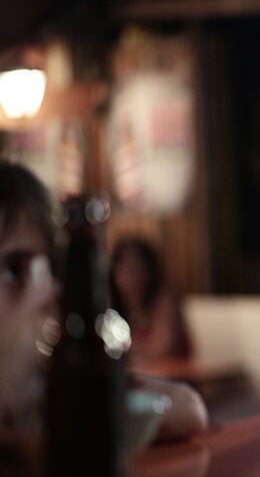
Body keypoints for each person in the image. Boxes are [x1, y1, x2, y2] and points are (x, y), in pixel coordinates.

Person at [0, 162, 208, 456]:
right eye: (14, 270)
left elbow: (188, 407)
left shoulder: (51, 382)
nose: (48, 292)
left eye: (52, 270)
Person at [110, 236, 192, 365]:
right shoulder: (115, 306)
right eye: (128, 270)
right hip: (141, 375)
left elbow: (163, 351)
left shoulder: (165, 299)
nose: (133, 277)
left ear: (150, 271)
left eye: (139, 268)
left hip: (173, 375)